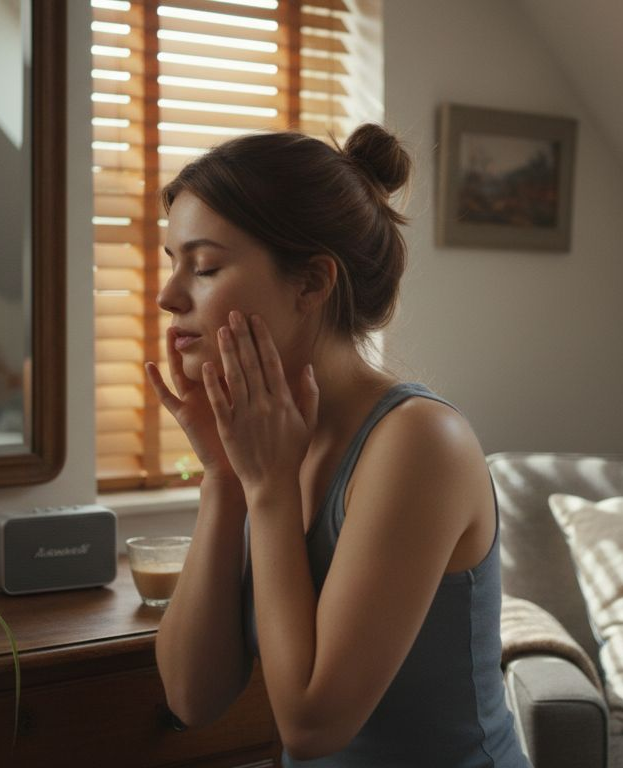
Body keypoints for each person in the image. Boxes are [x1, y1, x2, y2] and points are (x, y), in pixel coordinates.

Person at [147, 125, 530, 767]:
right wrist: (222, 477)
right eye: (172, 262)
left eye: (206, 266)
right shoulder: (265, 442)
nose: (168, 296)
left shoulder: (418, 442)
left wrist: (268, 489)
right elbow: (193, 697)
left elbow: (313, 724)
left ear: (311, 283)